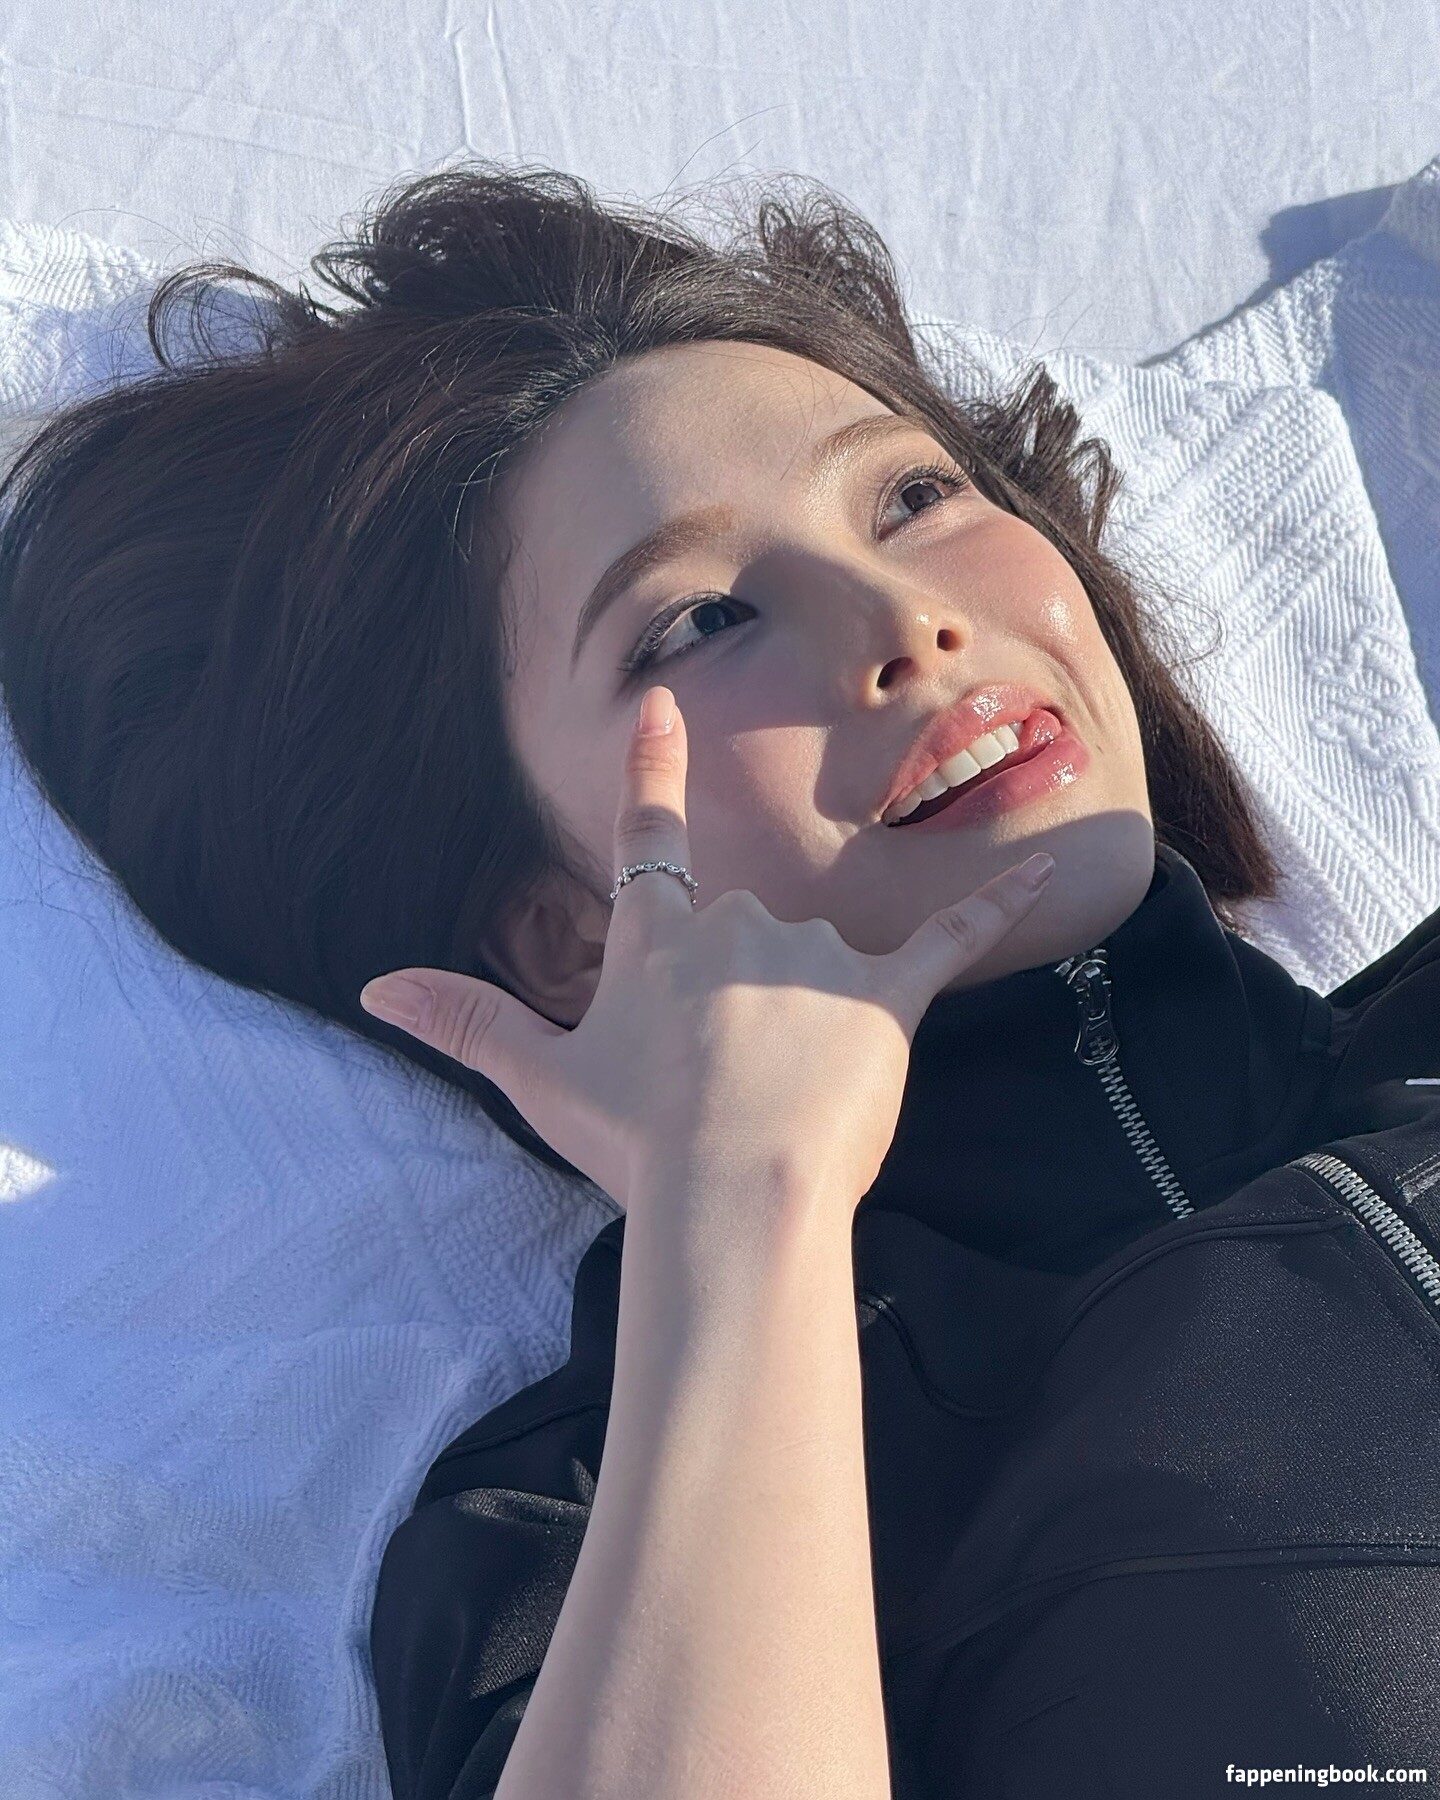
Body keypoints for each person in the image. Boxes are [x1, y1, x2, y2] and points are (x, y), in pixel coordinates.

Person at [1, 163, 1437, 1799]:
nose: (907, 618)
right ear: (570, 930)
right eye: (699, 622)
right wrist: (744, 1202)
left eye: (913, 495)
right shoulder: (588, 1526)